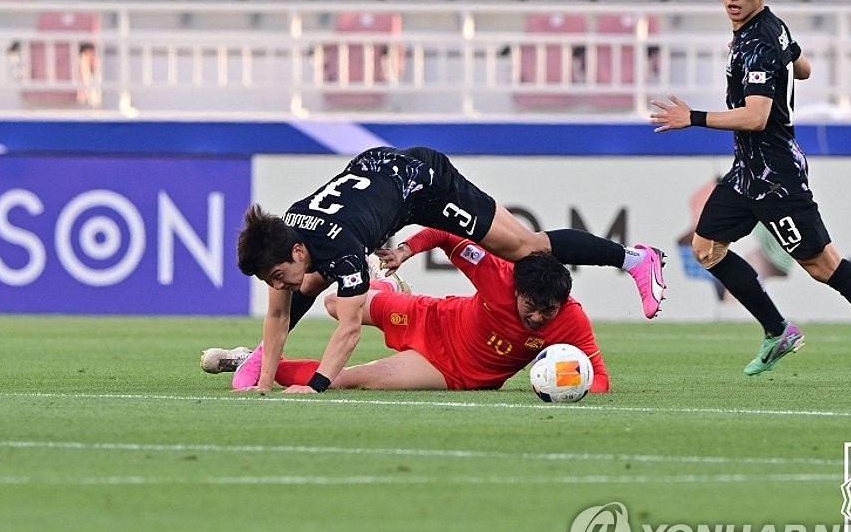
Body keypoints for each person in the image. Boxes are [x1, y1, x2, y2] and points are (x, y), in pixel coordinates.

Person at [649, 0, 851, 386]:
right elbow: (804, 68)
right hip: (746, 173)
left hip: (776, 175)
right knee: (705, 248)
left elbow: (758, 116)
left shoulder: (760, 40)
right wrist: (783, 63)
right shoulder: (769, 30)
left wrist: (694, 118)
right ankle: (778, 330)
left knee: (824, 266)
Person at [235, 145, 666, 394]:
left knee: (525, 247)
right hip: (376, 174)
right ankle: (258, 363)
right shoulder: (289, 234)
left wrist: (315, 389)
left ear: (296, 249)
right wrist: (264, 382)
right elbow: (278, 310)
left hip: (424, 183)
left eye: (276, 275)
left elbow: (347, 330)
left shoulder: (338, 249)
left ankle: (634, 259)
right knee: (308, 282)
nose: (276, 285)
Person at [208, 229, 610, 392]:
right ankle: (383, 285)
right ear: (516, 287)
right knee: (333, 303)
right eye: (530, 306)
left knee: (347, 380)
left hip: (452, 374)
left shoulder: (570, 319)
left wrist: (571, 388)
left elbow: (599, 379)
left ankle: (250, 361)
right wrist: (404, 251)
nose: (538, 317)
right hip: (430, 318)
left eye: (547, 312)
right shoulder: (497, 275)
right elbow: (446, 233)